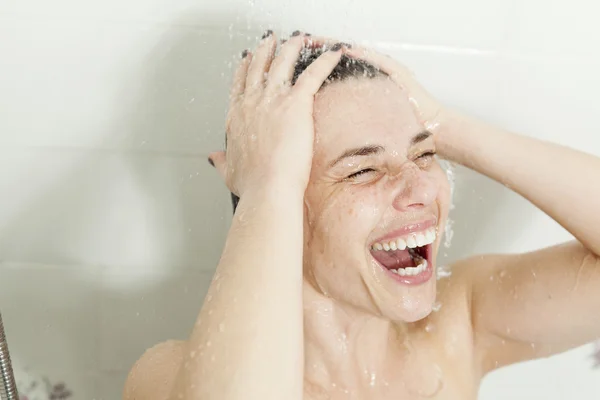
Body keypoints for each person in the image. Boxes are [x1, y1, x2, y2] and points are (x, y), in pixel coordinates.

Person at [123, 30, 600, 400]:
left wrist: (443, 126)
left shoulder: (459, 322)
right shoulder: (171, 374)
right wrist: (266, 187)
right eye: (362, 171)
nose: (419, 190)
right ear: (283, 203)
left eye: (424, 155)